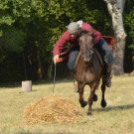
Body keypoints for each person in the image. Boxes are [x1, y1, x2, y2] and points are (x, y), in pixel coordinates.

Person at [53, 20, 113, 87]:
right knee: (71, 64)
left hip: (92, 41)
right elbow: (58, 45)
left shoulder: (87, 29)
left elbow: (98, 34)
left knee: (108, 51)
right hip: (76, 46)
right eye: (71, 34)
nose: (72, 36)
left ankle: (107, 74)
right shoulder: (67, 34)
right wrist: (56, 54)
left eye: (74, 34)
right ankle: (78, 80)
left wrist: (92, 43)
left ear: (78, 31)